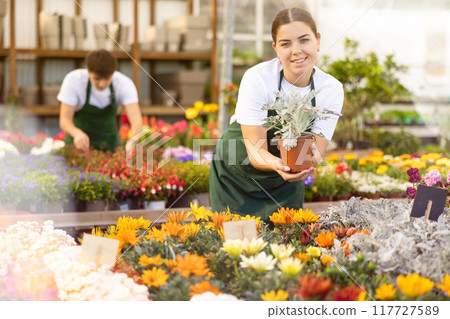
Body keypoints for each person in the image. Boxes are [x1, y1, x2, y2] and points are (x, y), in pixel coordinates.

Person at [209, 7, 344, 221]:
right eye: (286, 44)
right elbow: (255, 150)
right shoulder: (258, 78)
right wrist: (278, 164)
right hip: (237, 174)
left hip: (285, 181)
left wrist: (302, 166)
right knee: (234, 243)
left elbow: (315, 148)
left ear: (318, 40)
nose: (296, 51)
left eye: (304, 40)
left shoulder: (331, 89)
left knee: (288, 242)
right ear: (275, 48)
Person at [58, 49, 143, 152]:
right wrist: (76, 133)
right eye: (97, 79)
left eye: (107, 79)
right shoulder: (74, 81)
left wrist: (133, 140)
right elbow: (64, 120)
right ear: (88, 70)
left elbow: (136, 118)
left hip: (109, 146)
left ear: (113, 72)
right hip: (78, 147)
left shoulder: (124, 84)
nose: (102, 84)